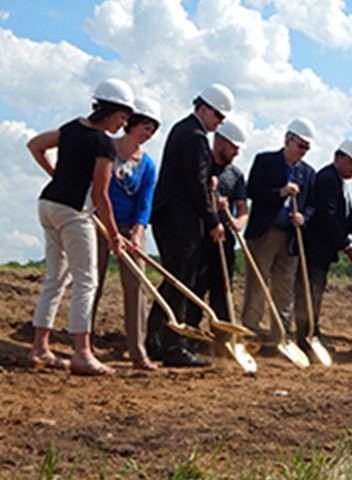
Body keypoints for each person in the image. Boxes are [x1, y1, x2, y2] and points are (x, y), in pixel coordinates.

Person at [26, 78, 134, 375]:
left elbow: (35, 145)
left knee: (55, 277)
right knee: (86, 280)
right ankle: (82, 353)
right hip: (73, 212)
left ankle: (39, 348)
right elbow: (101, 194)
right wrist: (115, 236)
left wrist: (56, 176)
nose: (123, 125)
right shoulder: (103, 143)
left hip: (47, 205)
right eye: (123, 117)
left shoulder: (72, 127)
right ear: (112, 111)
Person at [146, 83, 234, 367]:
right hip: (179, 218)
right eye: (218, 116)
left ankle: (156, 341)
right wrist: (212, 221)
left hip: (170, 214)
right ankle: (173, 347)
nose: (219, 123)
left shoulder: (182, 129)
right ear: (203, 108)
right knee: (180, 281)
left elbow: (197, 176)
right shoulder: (195, 135)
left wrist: (208, 176)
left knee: (174, 278)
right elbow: (195, 185)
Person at [91, 97, 160, 371]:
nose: (148, 134)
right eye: (145, 127)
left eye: (153, 130)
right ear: (130, 124)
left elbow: (145, 203)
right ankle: (84, 342)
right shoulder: (107, 149)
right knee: (92, 282)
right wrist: (106, 225)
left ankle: (137, 349)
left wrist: (137, 232)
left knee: (136, 287)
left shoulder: (148, 165)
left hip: (131, 227)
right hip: (99, 221)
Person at [240, 118, 316, 344]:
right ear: (287, 140)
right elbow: (252, 190)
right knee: (257, 284)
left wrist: (303, 218)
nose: (303, 152)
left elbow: (312, 204)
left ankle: (279, 336)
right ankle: (250, 331)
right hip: (266, 233)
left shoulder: (308, 173)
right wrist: (280, 193)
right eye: (300, 146)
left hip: (291, 237)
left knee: (284, 289)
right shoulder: (265, 161)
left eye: (307, 148)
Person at [293, 138, 352, 352]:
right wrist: (346, 244)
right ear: (338, 157)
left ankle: (312, 332)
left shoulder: (339, 182)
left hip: (323, 251)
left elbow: (342, 213)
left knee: (316, 292)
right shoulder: (327, 179)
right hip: (315, 248)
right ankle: (305, 336)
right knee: (309, 292)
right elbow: (327, 216)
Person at [185, 118, 248, 331]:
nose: (236, 153)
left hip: (224, 239)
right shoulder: (204, 165)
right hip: (202, 236)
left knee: (223, 288)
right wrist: (213, 208)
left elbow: (242, 208)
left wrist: (239, 222)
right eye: (234, 148)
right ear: (220, 141)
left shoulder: (236, 174)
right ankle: (191, 331)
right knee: (197, 285)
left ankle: (222, 335)